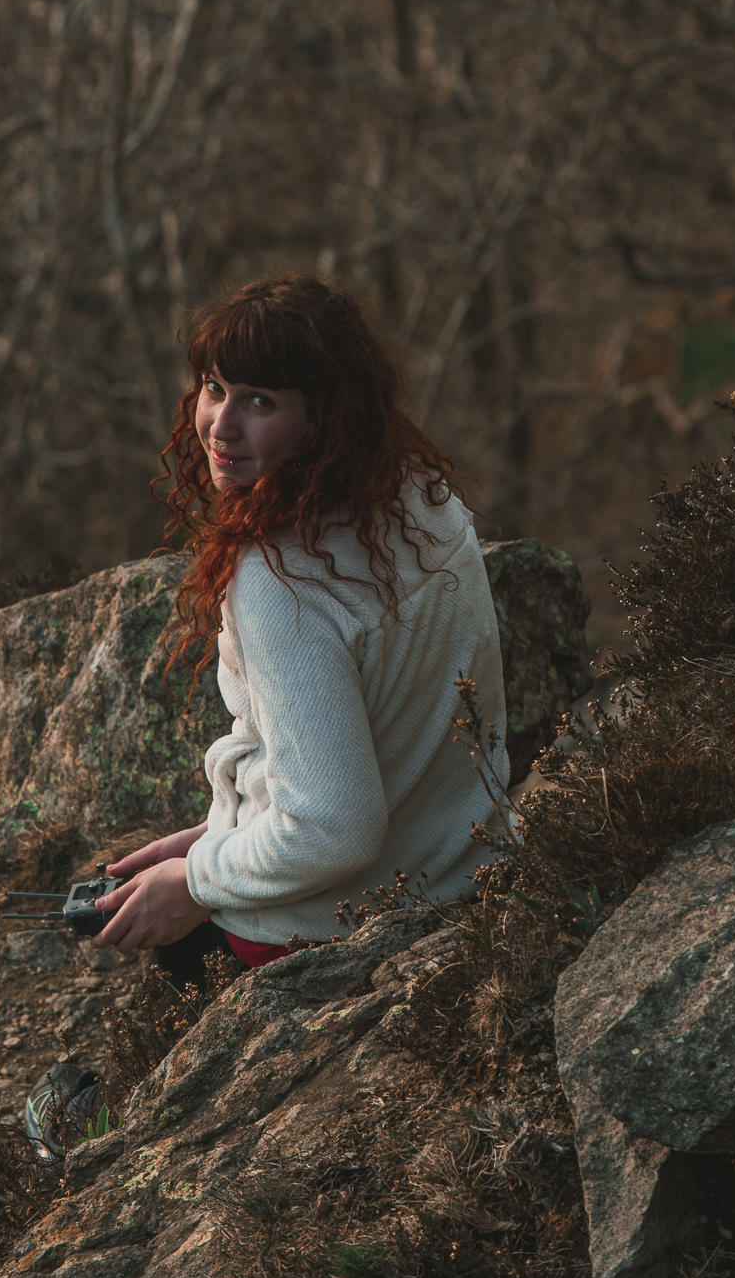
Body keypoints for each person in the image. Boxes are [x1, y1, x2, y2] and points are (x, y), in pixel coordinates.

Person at [89, 272, 511, 990]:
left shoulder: (281, 582)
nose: (220, 425)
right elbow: (382, 745)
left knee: (151, 997)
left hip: (322, 933)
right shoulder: (420, 497)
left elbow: (334, 828)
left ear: (325, 417)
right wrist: (218, 834)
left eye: (261, 402)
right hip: (465, 880)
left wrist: (194, 884)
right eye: (215, 388)